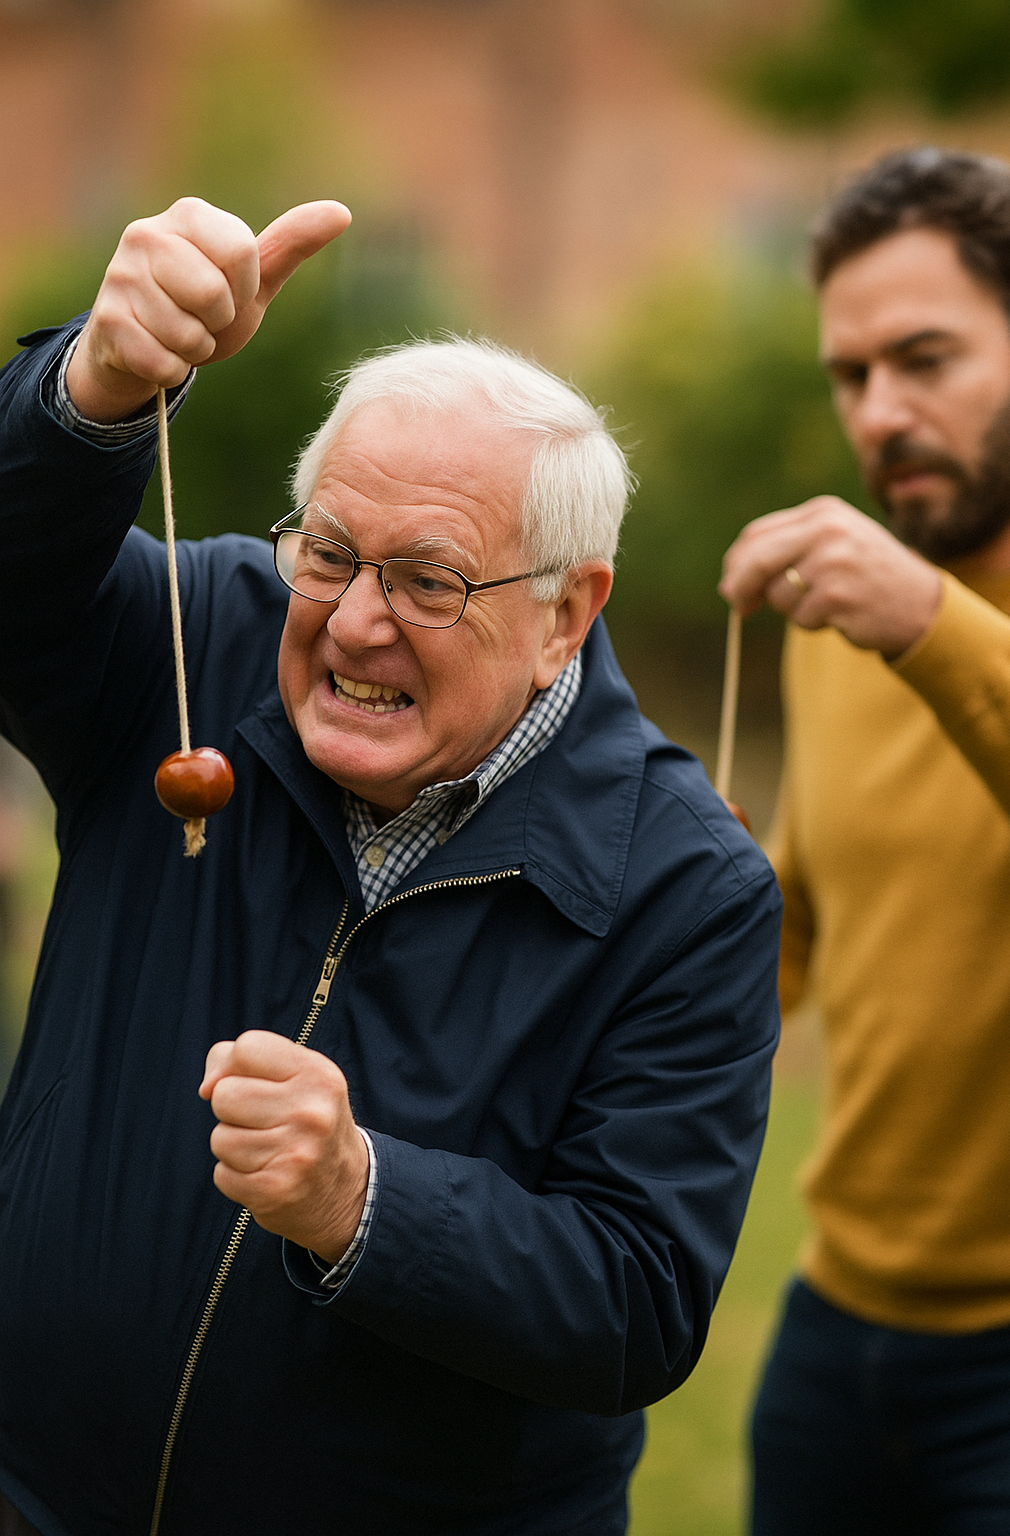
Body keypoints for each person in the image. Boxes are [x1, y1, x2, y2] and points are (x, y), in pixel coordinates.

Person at [0, 196, 781, 1536]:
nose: (356, 624)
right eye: (329, 552)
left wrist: (365, 1199)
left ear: (566, 612)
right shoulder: (196, 646)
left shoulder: (686, 884)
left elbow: (639, 1300)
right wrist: (92, 390)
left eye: (429, 581)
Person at [720, 146, 1010, 1535]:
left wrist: (926, 622)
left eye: (925, 359)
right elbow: (801, 934)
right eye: (851, 375)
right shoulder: (838, 627)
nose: (881, 411)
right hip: (837, 1329)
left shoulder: (896, 613)